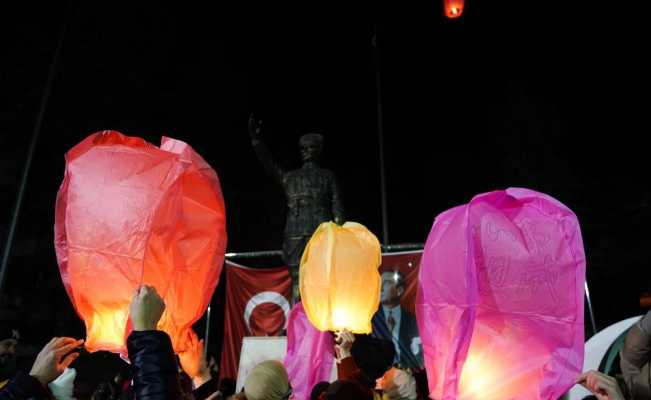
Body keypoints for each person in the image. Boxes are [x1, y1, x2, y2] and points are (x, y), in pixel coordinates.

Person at [248, 114, 345, 303]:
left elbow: (338, 210)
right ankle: (299, 325)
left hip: (321, 234)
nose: (306, 151)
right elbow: (270, 166)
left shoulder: (327, 177)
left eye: (311, 148)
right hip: (296, 235)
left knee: (323, 280)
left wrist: (339, 236)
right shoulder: (291, 177)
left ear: (319, 151)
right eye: (303, 148)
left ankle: (319, 327)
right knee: (297, 282)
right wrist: (256, 141)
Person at [371, 271, 423, 370]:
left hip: (409, 375)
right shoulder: (371, 321)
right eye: (379, 283)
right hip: (379, 377)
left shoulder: (413, 321)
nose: (380, 288)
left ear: (399, 290)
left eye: (386, 283)